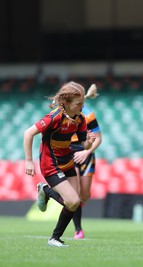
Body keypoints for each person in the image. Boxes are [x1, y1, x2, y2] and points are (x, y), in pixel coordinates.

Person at [24, 81, 96, 247]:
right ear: (66, 103)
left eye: (83, 103)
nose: (82, 106)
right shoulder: (54, 117)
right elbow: (28, 134)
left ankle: (55, 236)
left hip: (67, 162)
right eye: (79, 104)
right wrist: (28, 161)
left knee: (74, 202)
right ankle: (54, 236)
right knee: (72, 201)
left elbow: (85, 145)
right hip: (50, 164)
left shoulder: (80, 118)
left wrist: (90, 142)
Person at [70, 84, 102, 239]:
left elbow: (98, 138)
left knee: (85, 195)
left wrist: (86, 151)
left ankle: (76, 208)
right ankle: (78, 229)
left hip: (86, 152)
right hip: (68, 153)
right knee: (75, 193)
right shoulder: (63, 113)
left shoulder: (88, 114)